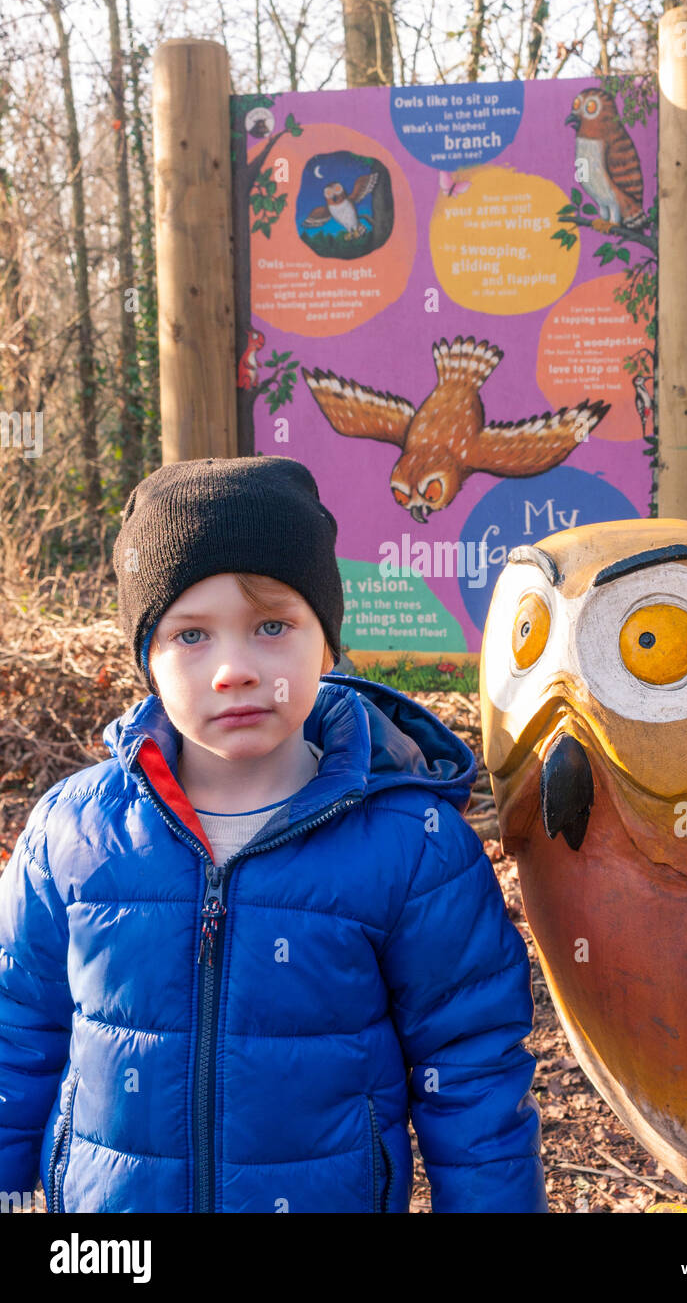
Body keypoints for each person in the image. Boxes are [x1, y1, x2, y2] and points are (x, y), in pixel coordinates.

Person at [0, 456, 547, 1213]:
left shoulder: (413, 846)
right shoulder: (73, 834)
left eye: (271, 626)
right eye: (191, 635)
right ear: (147, 662)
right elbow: (18, 1033)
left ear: (326, 645)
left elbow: (472, 1068)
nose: (234, 669)